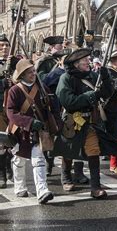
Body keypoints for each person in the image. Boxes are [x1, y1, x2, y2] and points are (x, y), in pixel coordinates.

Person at [55, 48, 117, 199]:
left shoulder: (93, 76)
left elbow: (106, 93)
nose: (88, 62)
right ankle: (66, 178)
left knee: (93, 151)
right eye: (85, 60)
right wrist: (91, 95)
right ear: (76, 64)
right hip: (72, 121)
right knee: (68, 151)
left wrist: (106, 78)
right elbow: (68, 102)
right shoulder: (66, 78)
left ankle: (95, 187)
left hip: (90, 121)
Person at [6, 59, 61, 203]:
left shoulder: (42, 88)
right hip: (20, 132)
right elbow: (11, 112)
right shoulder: (14, 90)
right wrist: (29, 122)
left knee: (39, 160)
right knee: (19, 160)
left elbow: (52, 106)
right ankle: (19, 187)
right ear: (22, 74)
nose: (33, 74)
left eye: (33, 71)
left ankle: (42, 190)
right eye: (29, 72)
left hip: (39, 131)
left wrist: (56, 124)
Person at [0, 34, 17, 188]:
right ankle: (2, 173)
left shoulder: (14, 63)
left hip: (13, 109)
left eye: (7, 45)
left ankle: (10, 167)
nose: (4, 48)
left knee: (13, 142)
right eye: (1, 45)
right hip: (0, 109)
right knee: (1, 143)